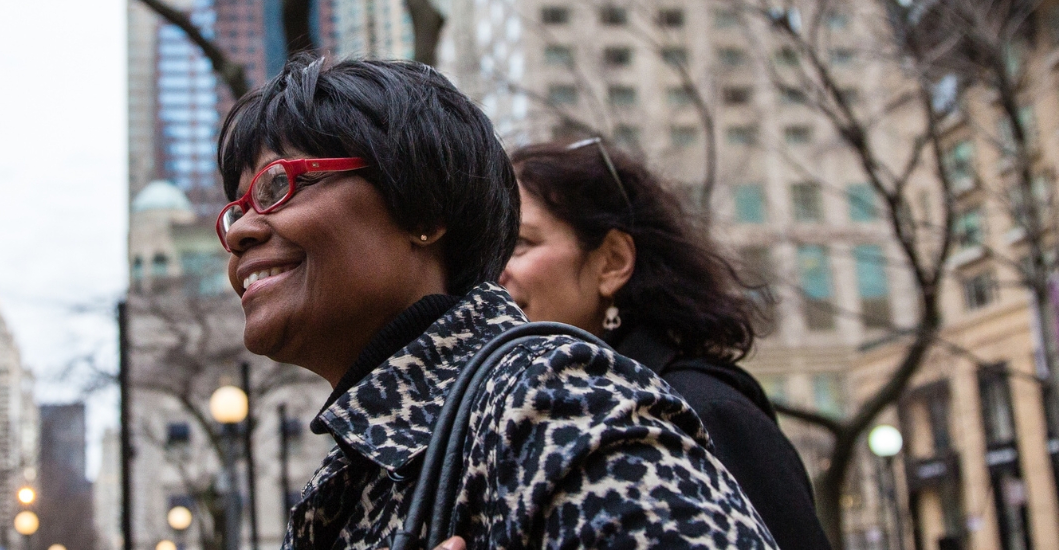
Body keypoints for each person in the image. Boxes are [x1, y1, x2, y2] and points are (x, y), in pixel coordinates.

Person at [217, 56, 777, 549]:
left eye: (275, 186)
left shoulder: (557, 399)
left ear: (424, 211)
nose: (241, 229)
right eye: (237, 208)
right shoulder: (351, 469)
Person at [499, 138, 831, 550]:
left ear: (613, 261)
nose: (492, 274)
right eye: (486, 250)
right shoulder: (523, 422)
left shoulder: (705, 412)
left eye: (518, 244)